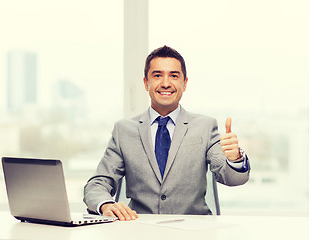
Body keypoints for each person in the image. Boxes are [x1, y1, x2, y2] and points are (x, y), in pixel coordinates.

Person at [84, 45, 250, 221]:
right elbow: (97, 184)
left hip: (194, 232)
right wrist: (105, 205)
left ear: (184, 83)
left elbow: (232, 179)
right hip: (140, 230)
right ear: (145, 83)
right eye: (157, 75)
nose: (165, 83)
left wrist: (235, 159)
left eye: (174, 76)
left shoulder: (205, 126)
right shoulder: (124, 130)